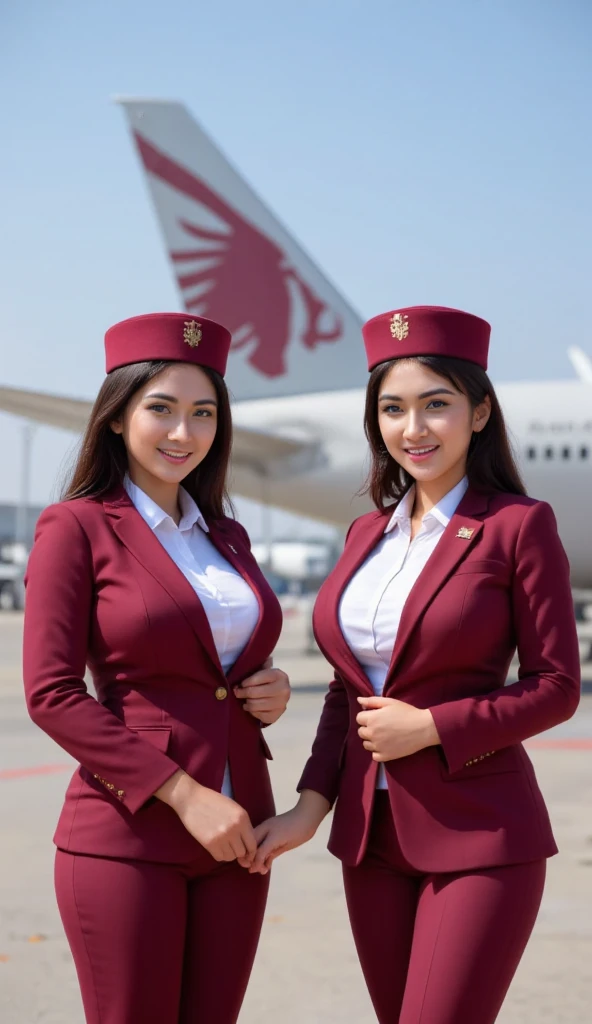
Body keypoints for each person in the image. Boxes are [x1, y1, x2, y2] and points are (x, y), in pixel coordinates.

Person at [250, 305, 581, 1023]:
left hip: (481, 833)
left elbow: (556, 687)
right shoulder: (366, 532)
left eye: (437, 405)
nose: (415, 428)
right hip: (372, 844)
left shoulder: (517, 525)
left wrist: (432, 727)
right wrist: (311, 806)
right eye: (393, 409)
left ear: (480, 412)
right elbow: (348, 694)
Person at [22, 312, 291, 1024]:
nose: (183, 433)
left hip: (241, 836)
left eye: (203, 413)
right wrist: (182, 793)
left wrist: (271, 686)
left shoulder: (225, 534)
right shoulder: (75, 526)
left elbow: (225, 658)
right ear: (117, 418)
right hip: (130, 831)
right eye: (161, 409)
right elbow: (51, 694)